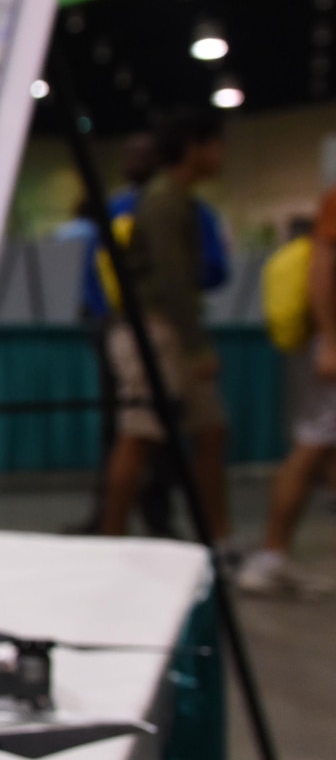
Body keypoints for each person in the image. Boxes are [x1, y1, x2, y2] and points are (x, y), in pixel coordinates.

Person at [100, 110, 230, 539]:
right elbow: (173, 279)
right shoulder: (164, 199)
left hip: (168, 332)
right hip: (153, 334)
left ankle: (218, 537)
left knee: (210, 431)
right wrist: (196, 348)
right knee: (139, 437)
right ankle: (111, 542)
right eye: (214, 144)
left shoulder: (178, 199)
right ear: (193, 147)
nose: (220, 154)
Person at [241, 189, 336, 596]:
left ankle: (272, 558)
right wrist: (331, 340)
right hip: (327, 343)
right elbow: (322, 263)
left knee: (322, 448)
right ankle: (270, 557)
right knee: (314, 443)